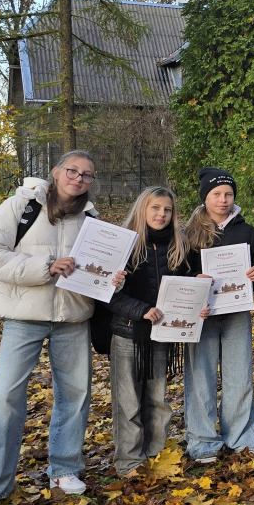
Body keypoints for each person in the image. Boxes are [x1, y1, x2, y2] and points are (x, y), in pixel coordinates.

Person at [0, 151, 102, 505]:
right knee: (6, 397)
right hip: (24, 316)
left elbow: (95, 270)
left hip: (73, 318)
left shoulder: (91, 218)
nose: (78, 178)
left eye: (87, 175)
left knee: (75, 396)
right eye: (72, 170)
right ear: (56, 172)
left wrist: (109, 280)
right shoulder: (19, 207)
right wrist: (44, 268)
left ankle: (65, 468)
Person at [107, 186, 204, 475]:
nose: (161, 214)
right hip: (128, 335)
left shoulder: (180, 245)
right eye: (155, 208)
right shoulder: (124, 245)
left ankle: (156, 455)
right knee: (128, 403)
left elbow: (189, 285)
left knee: (158, 400)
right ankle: (129, 462)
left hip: (163, 334)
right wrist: (140, 311)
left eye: (167, 209)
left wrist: (198, 298)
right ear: (142, 209)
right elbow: (108, 295)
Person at [184, 168, 254, 463]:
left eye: (228, 194)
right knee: (200, 377)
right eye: (216, 194)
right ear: (204, 198)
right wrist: (195, 278)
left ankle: (241, 436)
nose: (223, 200)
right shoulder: (189, 233)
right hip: (203, 315)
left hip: (235, 314)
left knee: (239, 375)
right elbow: (179, 270)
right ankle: (202, 440)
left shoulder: (247, 231)